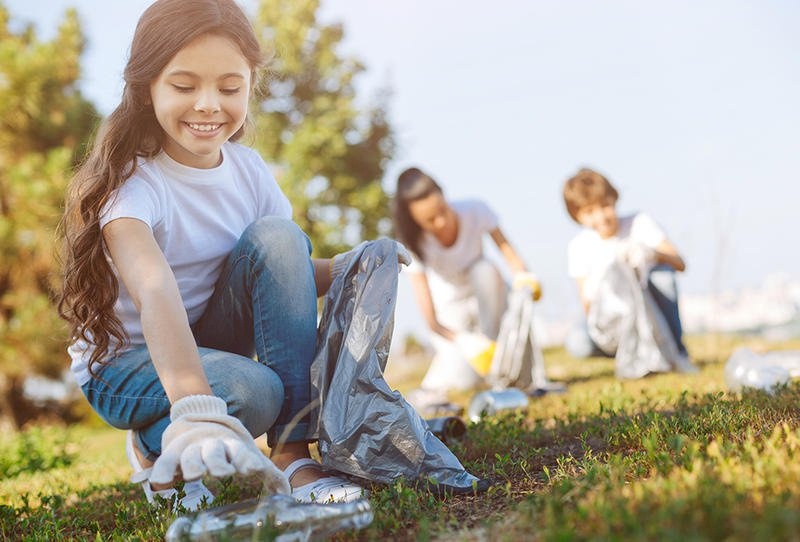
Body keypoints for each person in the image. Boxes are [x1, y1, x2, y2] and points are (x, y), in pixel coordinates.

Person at [58, 0, 366, 510]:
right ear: (147, 87)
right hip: (126, 365)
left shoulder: (248, 171)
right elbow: (155, 290)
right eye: (184, 86)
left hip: (206, 337)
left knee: (278, 235)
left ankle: (292, 454)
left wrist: (352, 267)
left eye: (229, 88)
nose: (208, 105)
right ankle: (157, 439)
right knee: (257, 392)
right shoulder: (133, 184)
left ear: (249, 85)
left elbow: (286, 273)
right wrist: (196, 408)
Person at [392, 167, 540, 404]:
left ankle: (498, 359)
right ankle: (444, 379)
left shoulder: (475, 210)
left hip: (489, 299)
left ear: (444, 195)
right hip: (452, 319)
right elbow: (432, 321)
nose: (440, 222)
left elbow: (508, 253)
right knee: (464, 380)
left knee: (484, 269)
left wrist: (524, 276)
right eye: (430, 220)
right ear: (415, 221)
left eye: (442, 210)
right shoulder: (413, 244)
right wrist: (465, 342)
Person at [561, 167, 694, 369]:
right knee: (578, 342)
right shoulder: (579, 247)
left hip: (651, 314)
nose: (601, 217)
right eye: (589, 212)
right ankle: (627, 353)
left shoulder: (638, 224)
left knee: (663, 277)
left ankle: (676, 350)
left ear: (614, 200)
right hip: (615, 320)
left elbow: (680, 263)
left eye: (605, 206)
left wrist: (652, 253)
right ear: (577, 216)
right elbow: (587, 307)